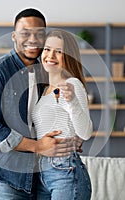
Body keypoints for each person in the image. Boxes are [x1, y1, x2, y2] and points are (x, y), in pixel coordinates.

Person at [0, 8, 82, 199]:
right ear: (14, 36)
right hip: (1, 174)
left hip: (33, 177)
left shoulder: (43, 73)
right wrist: (38, 146)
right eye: (25, 33)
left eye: (39, 34)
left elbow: (45, 117)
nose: (33, 39)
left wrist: (68, 136)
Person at [32, 29, 93, 199]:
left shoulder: (72, 84)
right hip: (41, 171)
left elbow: (85, 133)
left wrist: (72, 101)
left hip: (64, 169)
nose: (50, 55)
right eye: (47, 49)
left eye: (58, 51)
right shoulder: (43, 90)